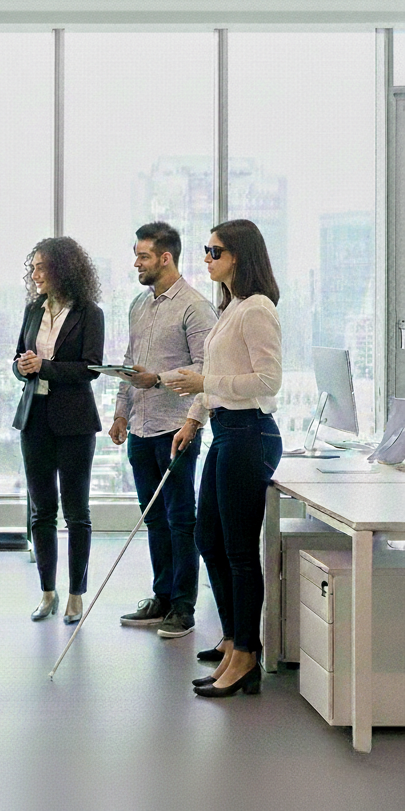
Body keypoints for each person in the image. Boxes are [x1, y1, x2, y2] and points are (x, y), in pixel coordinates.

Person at [167, 219, 282, 698]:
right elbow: (215, 375)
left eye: (215, 251)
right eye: (206, 250)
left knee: (237, 549)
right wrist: (193, 417)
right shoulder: (231, 307)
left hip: (250, 433)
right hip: (223, 431)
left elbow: (268, 383)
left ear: (240, 255)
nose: (207, 258)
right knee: (207, 537)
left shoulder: (256, 309)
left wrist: (204, 387)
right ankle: (234, 638)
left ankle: (246, 655)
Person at [108, 222, 217, 639]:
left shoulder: (195, 306)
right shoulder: (139, 304)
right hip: (141, 426)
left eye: (143, 256)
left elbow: (208, 369)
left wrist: (161, 383)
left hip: (177, 428)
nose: (137, 263)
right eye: (136, 255)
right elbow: (130, 361)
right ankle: (163, 595)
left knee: (179, 520)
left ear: (166, 258)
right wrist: (121, 413)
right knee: (153, 519)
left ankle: (184, 607)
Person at [13, 238, 104, 624]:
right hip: (34, 418)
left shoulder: (89, 313)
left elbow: (90, 368)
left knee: (76, 512)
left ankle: (76, 594)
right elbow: (19, 359)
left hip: (75, 422)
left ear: (63, 269)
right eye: (32, 267)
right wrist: (22, 367)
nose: (34, 275)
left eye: (41, 268)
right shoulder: (33, 310)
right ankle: (47, 592)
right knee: (41, 511)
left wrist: (44, 367)